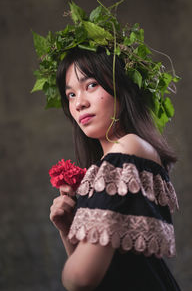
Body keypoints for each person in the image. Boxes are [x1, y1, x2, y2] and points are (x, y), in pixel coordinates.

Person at [49, 47, 181, 291]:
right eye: (70, 94)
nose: (79, 103)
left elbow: (80, 279)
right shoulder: (117, 160)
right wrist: (68, 229)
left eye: (91, 85)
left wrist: (68, 276)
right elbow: (105, 276)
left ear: (122, 85)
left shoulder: (126, 150)